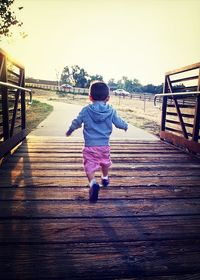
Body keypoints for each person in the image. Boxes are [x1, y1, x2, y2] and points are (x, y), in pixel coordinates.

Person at [66, 81, 128, 202]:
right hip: (104, 146)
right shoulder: (111, 110)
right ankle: (105, 177)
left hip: (90, 146)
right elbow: (119, 122)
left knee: (89, 166)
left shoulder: (86, 110)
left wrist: (70, 130)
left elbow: (77, 121)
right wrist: (125, 126)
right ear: (108, 98)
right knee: (105, 162)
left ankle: (93, 183)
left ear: (90, 97)